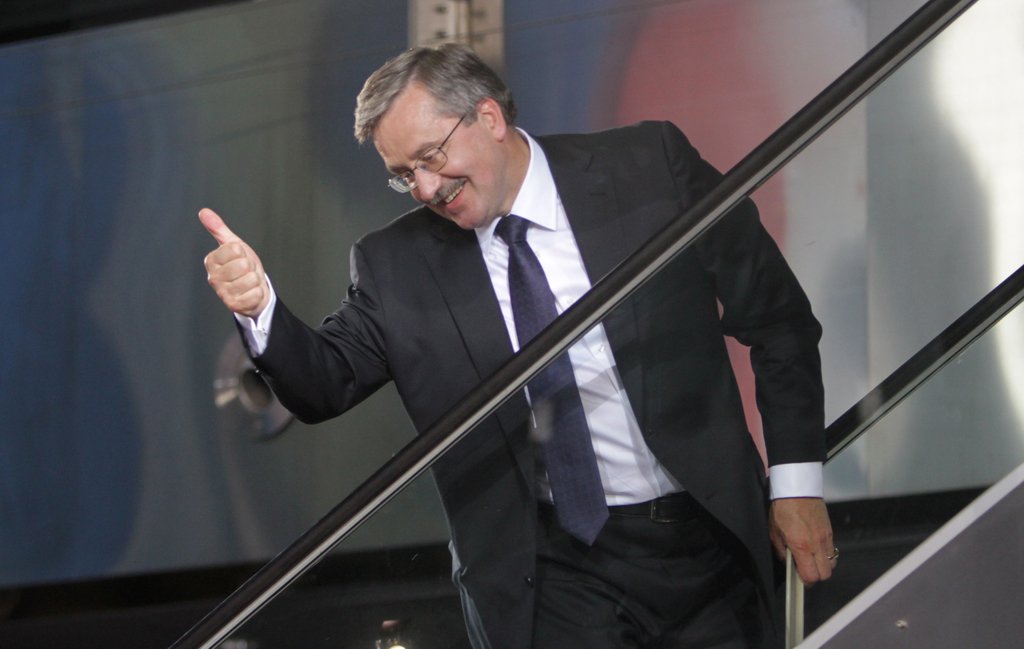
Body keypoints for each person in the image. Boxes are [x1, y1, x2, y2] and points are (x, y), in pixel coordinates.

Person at [201, 43, 835, 649]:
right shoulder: (395, 265)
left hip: (707, 538)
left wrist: (797, 483)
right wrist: (260, 309)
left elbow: (776, 319)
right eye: (404, 176)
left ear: (489, 117)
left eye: (430, 157)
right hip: (551, 571)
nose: (425, 188)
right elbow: (322, 383)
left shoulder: (649, 167)